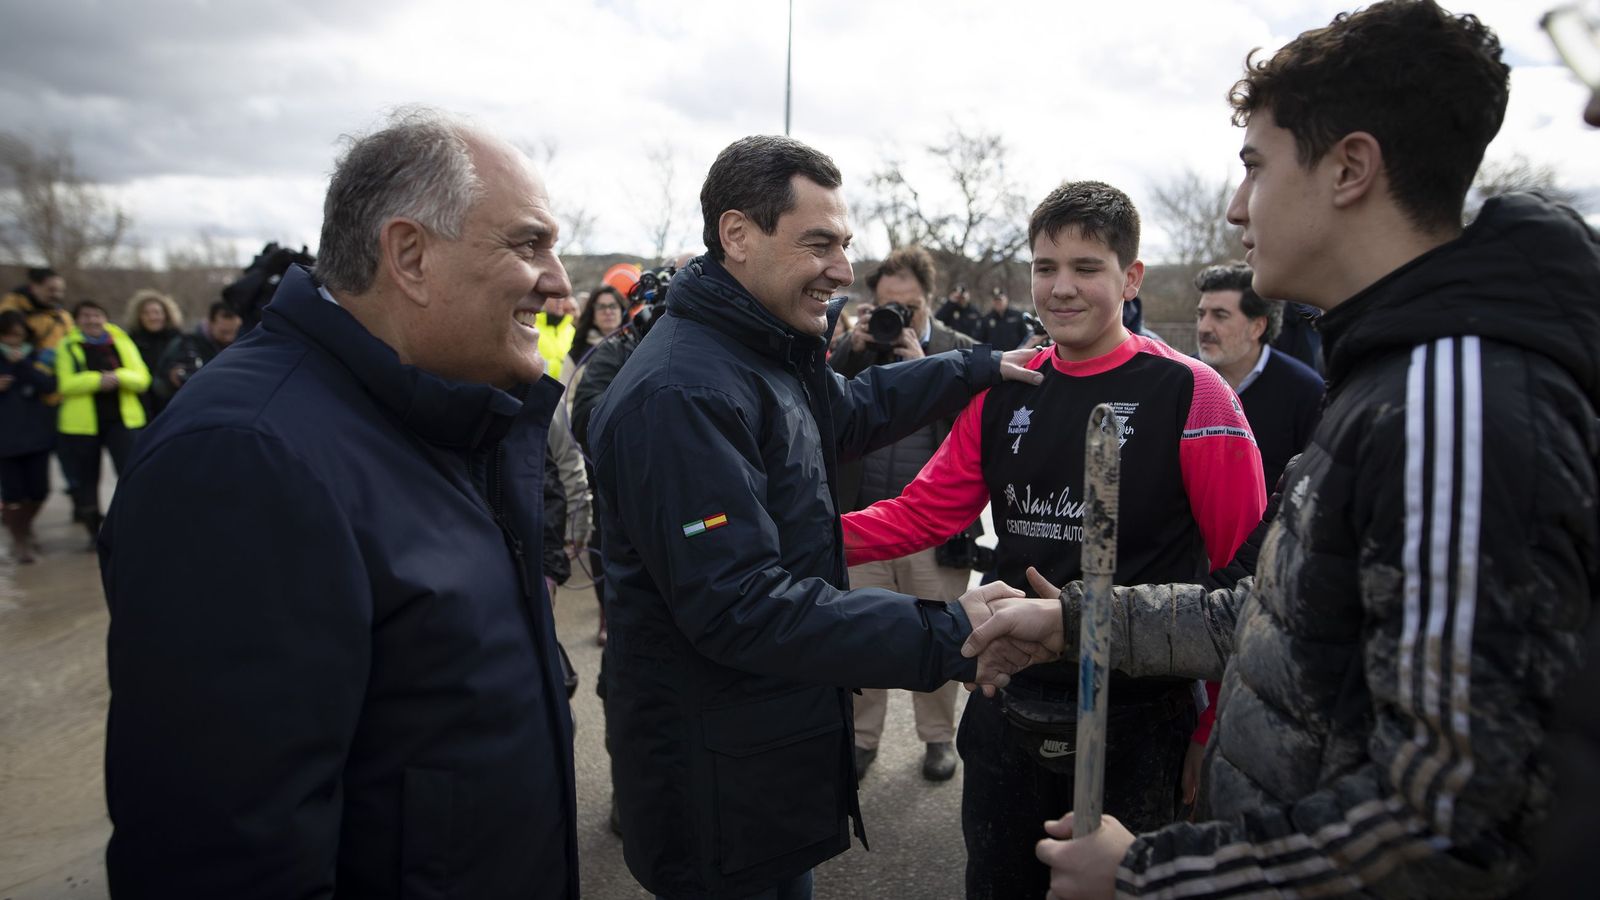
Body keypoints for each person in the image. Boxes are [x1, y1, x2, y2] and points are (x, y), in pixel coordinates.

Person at [960, 4, 1600, 896]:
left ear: (1351, 168)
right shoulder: (1393, 373)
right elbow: (1266, 617)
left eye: (1255, 166)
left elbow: (1452, 820)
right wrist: (1073, 621)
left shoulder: (1454, 401)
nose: (1233, 206)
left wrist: (1151, 874)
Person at [99, 108, 580, 897]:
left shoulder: (436, 411)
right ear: (410, 255)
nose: (559, 281)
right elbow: (227, 852)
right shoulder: (246, 457)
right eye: (529, 243)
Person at [587, 134, 1046, 900]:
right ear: (737, 236)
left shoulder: (761, 352)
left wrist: (969, 369)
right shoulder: (684, 395)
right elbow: (741, 606)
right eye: (819, 244)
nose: (842, 268)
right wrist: (948, 632)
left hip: (764, 752)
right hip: (715, 785)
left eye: (846, 244)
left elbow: (850, 410)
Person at [841, 180, 1265, 900]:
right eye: (1045, 268)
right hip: (1010, 699)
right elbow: (922, 513)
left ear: (1130, 278)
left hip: (1140, 718)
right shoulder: (1007, 385)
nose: (1061, 288)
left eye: (1086, 268)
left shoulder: (1195, 396)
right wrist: (792, 541)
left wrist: (1210, 732)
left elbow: (1246, 590)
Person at [828, 246, 975, 783]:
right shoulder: (856, 350)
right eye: (887, 307)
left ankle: (938, 740)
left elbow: (981, 430)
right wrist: (850, 348)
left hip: (935, 531)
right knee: (859, 639)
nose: (897, 318)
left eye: (907, 308)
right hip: (863, 523)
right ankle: (862, 740)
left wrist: (928, 372)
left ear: (928, 302)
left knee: (945, 633)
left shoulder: (960, 352)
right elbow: (818, 410)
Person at [1194, 262, 1323, 491]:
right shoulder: (1182, 378)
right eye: (1201, 314)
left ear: (1257, 327)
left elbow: (1311, 484)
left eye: (1220, 316)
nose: (1204, 327)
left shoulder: (1305, 391)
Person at [55, 299, 149, 549]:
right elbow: (65, 384)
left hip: (122, 419)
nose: (92, 320)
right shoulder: (67, 346)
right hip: (82, 424)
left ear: (105, 318)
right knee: (87, 478)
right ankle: (92, 532)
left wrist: (118, 377)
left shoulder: (121, 341)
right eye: (86, 316)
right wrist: (97, 381)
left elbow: (141, 378)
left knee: (130, 473)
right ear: (77, 320)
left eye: (96, 315)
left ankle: (130, 525)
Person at [0, 311, 56, 563]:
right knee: (13, 494)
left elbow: (49, 385)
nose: (13, 342)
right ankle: (20, 540)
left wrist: (21, 363)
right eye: (8, 336)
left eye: (18, 336)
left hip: (36, 434)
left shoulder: (35, 356)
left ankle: (24, 526)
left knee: (40, 491)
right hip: (5, 438)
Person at [152, 301, 242, 406]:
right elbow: (158, 384)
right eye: (224, 332)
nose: (229, 337)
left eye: (234, 332)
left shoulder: (243, 346)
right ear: (210, 323)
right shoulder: (184, 344)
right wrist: (171, 380)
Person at [122, 289, 184, 420]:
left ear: (166, 314)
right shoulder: (129, 342)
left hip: (172, 402)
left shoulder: (179, 340)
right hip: (141, 405)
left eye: (157, 312)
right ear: (139, 316)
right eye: (146, 313)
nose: (152, 317)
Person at [1, 267, 73, 356]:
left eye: (60, 291)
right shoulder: (10, 312)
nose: (57, 295)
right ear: (34, 287)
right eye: (51, 290)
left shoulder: (64, 316)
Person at [536, 292, 577, 378]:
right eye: (554, 296)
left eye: (563, 297)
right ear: (543, 299)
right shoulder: (531, 327)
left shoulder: (572, 330)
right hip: (539, 385)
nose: (560, 300)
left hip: (567, 386)